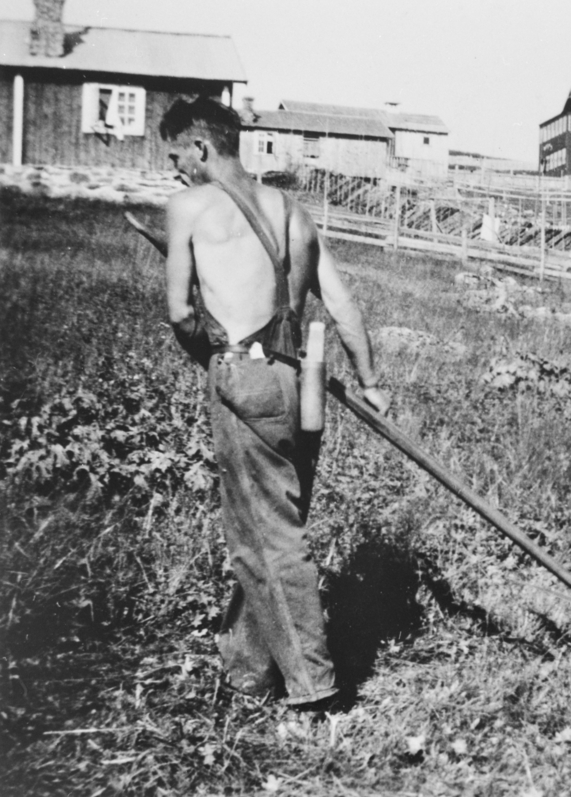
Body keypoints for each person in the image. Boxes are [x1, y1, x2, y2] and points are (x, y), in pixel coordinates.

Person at [161, 97, 390, 709]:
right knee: (269, 523)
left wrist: (212, 360)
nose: (176, 170)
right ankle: (246, 667)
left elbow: (181, 312)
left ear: (203, 148)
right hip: (300, 384)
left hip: (244, 380)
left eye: (178, 155)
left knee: (266, 540)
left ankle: (314, 687)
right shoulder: (292, 210)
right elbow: (342, 305)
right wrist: (370, 383)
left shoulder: (188, 206)